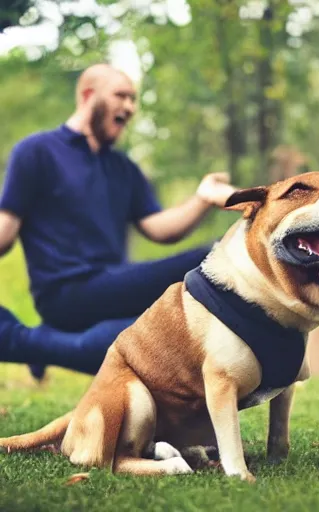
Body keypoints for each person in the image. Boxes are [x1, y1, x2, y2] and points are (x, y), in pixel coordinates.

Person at [0, 63, 236, 378]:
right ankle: (21, 339)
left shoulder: (124, 168)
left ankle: (36, 342)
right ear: (88, 96)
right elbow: (4, 234)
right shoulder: (37, 152)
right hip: (63, 292)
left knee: (149, 340)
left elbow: (159, 228)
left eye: (133, 99)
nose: (130, 106)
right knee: (215, 255)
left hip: (110, 288)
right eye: (121, 95)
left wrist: (203, 199)